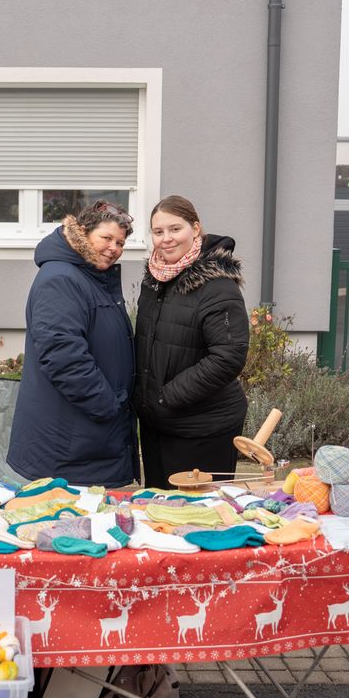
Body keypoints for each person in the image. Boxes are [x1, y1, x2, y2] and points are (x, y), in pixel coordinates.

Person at [7, 200, 138, 488]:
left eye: (120, 242)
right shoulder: (62, 279)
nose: (114, 248)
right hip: (70, 443)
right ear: (83, 233)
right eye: (106, 238)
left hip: (87, 436)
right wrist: (108, 406)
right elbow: (63, 357)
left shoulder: (91, 277)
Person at [133, 195, 249, 489]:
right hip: (159, 424)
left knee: (199, 518)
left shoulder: (217, 286)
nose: (166, 239)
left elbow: (228, 357)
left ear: (195, 229)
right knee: (160, 511)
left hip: (202, 427)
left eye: (175, 229)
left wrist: (166, 397)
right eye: (158, 232)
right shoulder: (156, 280)